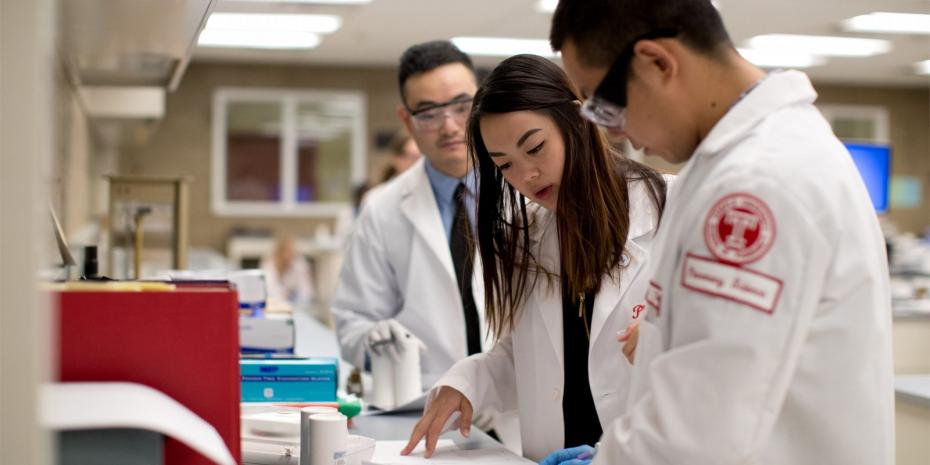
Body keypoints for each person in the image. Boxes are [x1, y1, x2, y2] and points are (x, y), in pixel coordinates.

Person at [541, 1, 895, 464]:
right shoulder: (731, 164)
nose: (614, 132)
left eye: (604, 104)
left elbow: (700, 430)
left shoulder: (758, 184)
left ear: (657, 63)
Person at [401, 54, 668, 461]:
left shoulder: (675, 210)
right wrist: (468, 381)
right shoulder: (526, 235)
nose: (525, 175)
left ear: (578, 120)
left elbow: (731, 351)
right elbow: (526, 358)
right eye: (504, 164)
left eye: (535, 147)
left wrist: (669, 336)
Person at [332, 41, 490, 389]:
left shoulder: (527, 192)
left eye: (462, 106)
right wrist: (376, 342)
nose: (449, 126)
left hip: (522, 407)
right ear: (407, 120)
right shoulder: (380, 209)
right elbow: (351, 324)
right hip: (427, 402)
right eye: (429, 113)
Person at [260, 235, 314, 310]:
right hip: (274, 306)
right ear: (280, 252)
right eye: (287, 251)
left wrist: (300, 302)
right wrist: (283, 299)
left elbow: (306, 291)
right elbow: (269, 290)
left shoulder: (300, 264)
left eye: (293, 251)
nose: (291, 255)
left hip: (295, 305)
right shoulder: (269, 266)